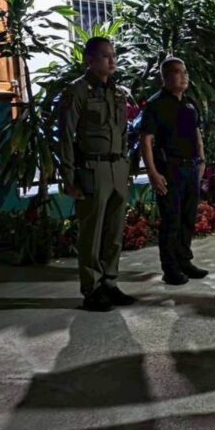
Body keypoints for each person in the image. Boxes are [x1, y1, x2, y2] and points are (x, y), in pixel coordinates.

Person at [58, 36, 136, 312]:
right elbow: (66, 136)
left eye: (114, 55)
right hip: (92, 168)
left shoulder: (118, 93)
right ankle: (91, 289)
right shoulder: (77, 91)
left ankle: (109, 283)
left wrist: (125, 166)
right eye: (105, 56)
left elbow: (123, 133)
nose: (112, 60)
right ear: (90, 59)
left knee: (114, 232)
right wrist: (69, 178)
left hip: (116, 168)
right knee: (91, 232)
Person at [139, 57, 208, 286]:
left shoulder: (189, 103)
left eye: (185, 71)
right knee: (171, 220)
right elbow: (146, 140)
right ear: (165, 77)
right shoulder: (156, 105)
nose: (184, 76)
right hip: (170, 169)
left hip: (191, 168)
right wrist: (152, 173)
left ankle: (184, 261)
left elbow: (196, 132)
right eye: (178, 72)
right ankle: (170, 269)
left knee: (188, 218)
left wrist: (202, 160)